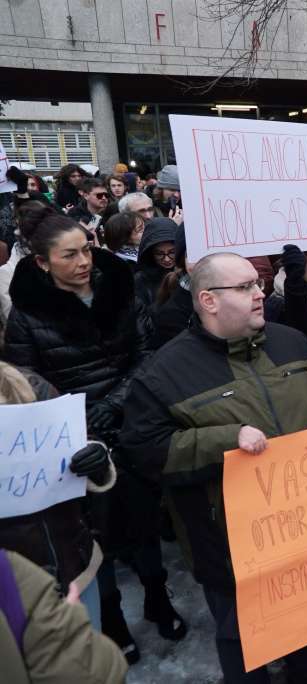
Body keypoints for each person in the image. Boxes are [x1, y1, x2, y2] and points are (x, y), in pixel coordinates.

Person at [120, 252, 307, 683]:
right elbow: (144, 450)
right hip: (227, 542)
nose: (259, 293)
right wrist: (226, 440)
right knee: (242, 637)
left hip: (303, 526)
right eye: (244, 287)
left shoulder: (290, 341)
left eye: (256, 284)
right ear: (208, 300)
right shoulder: (165, 372)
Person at [3, 203, 184, 662]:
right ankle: (113, 619)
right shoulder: (27, 314)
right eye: (69, 255)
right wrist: (76, 422)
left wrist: (115, 404)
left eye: (86, 249)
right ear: (42, 262)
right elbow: (27, 384)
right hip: (73, 440)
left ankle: (158, 597)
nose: (83, 261)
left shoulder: (120, 288)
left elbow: (148, 354)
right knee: (94, 535)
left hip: (132, 419)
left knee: (144, 521)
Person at [0, 362, 117, 630]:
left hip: (70, 566)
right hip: (9, 598)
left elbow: (77, 440)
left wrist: (95, 458)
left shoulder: (27, 383)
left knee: (90, 653)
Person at [0, 549, 128, 683]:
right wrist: (68, 634)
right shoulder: (6, 572)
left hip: (76, 567)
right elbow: (97, 674)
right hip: (51, 592)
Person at [134, 217, 178, 315]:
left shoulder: (189, 274)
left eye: (172, 252)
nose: (166, 259)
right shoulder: (140, 280)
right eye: (159, 254)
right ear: (150, 253)